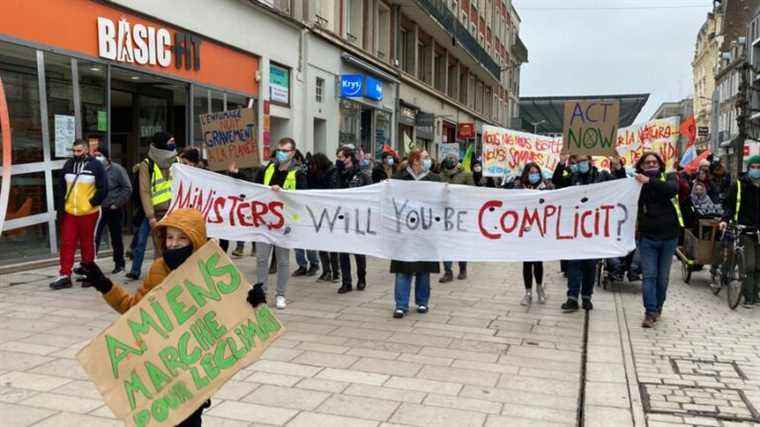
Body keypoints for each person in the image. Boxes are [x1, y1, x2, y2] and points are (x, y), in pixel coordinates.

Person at [78, 208, 267, 427]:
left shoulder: (210, 270)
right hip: (162, 371)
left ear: (195, 240)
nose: (173, 244)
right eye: (169, 237)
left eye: (181, 238)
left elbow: (231, 314)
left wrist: (253, 301)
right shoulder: (159, 268)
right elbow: (134, 309)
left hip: (194, 373)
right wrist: (105, 285)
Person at [254, 137, 307, 309]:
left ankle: (280, 295)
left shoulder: (298, 173)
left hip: (284, 224)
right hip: (264, 221)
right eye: (279, 150)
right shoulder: (267, 168)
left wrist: (282, 193)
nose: (281, 153)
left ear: (292, 152)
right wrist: (234, 173)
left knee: (283, 260)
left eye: (285, 150)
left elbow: (302, 198)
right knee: (261, 259)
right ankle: (261, 293)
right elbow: (253, 187)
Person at [552, 154, 609, 312]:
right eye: (578, 162)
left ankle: (586, 297)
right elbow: (557, 180)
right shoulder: (571, 176)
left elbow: (620, 183)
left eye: (584, 161)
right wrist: (562, 162)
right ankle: (572, 297)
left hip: (593, 228)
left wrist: (618, 166)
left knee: (590, 265)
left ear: (590, 161)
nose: (581, 164)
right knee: (574, 264)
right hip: (575, 228)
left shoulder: (601, 176)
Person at [50, 139, 108, 290]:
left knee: (87, 243)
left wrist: (91, 203)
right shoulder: (68, 165)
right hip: (70, 212)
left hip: (89, 212)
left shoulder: (96, 165)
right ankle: (64, 275)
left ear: (86, 150)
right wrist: (61, 208)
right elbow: (61, 187)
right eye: (74, 151)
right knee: (66, 243)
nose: (76, 154)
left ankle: (89, 274)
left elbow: (103, 188)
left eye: (79, 151)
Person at [391, 148, 440, 318]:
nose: (429, 160)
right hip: (404, 232)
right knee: (403, 268)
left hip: (425, 231)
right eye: (425, 158)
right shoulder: (399, 179)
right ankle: (401, 304)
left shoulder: (435, 179)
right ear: (415, 161)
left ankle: (422, 302)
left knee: (423, 269)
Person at [635, 152, 682, 327]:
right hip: (648, 238)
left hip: (669, 237)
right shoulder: (638, 182)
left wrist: (650, 181)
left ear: (660, 164)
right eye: (647, 163)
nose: (651, 165)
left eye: (654, 162)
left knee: (663, 278)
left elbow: (672, 190)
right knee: (649, 276)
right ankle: (650, 311)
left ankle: (659, 305)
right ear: (642, 166)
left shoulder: (669, 176)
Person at [126, 132, 177, 280]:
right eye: (170, 141)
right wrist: (151, 216)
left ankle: (170, 274)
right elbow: (145, 191)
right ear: (162, 144)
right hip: (154, 213)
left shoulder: (177, 161)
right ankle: (156, 275)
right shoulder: (147, 165)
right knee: (155, 245)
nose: (173, 144)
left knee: (172, 245)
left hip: (174, 211)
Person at [721, 155, 760, 308]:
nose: (756, 170)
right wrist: (724, 219)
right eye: (753, 167)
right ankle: (748, 296)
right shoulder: (738, 185)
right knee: (749, 265)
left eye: (758, 167)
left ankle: (756, 294)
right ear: (748, 168)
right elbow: (729, 205)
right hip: (744, 229)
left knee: (759, 265)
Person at [514, 163, 553, 305]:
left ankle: (539, 288)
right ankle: (528, 292)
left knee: (538, 262)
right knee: (526, 262)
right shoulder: (519, 187)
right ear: (526, 173)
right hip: (525, 230)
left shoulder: (547, 187)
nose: (534, 174)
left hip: (539, 230)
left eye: (536, 172)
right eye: (531, 172)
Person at [335, 145, 373, 293]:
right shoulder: (336, 174)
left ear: (349, 158)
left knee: (358, 250)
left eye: (341, 157)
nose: (338, 160)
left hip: (357, 218)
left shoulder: (362, 175)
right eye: (337, 157)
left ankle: (361, 278)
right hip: (341, 217)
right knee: (343, 252)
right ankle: (346, 282)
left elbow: (369, 194)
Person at [93, 146, 132, 274]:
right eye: (95, 156)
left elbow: (127, 188)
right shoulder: (93, 169)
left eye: (99, 155)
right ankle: (90, 263)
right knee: (95, 237)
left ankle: (119, 263)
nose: (97, 158)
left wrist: (117, 203)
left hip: (113, 208)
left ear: (107, 158)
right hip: (98, 209)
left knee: (116, 238)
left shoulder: (117, 170)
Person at [438, 152, 475, 282]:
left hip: (461, 214)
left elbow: (472, 191)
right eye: (448, 158)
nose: (450, 161)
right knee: (445, 244)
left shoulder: (466, 175)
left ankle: (463, 268)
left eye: (452, 159)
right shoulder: (441, 175)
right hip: (445, 214)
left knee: (460, 243)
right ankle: (448, 271)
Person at [307, 152, 340, 282]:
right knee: (321, 244)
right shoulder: (314, 173)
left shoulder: (332, 172)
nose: (312, 167)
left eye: (314, 164)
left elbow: (331, 189)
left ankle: (336, 272)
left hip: (330, 212)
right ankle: (326, 271)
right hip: (318, 212)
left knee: (331, 246)